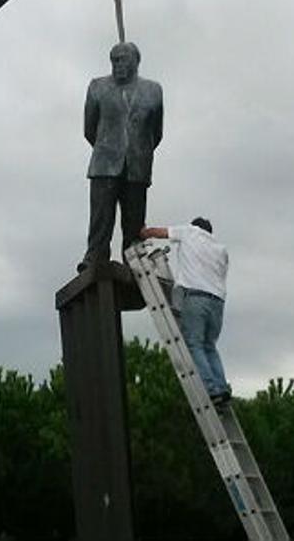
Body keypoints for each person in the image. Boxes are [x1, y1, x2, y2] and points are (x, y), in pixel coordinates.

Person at [78, 42, 164, 272]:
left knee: (134, 222)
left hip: (138, 165)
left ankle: (134, 262)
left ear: (136, 61)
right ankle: (94, 257)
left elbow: (156, 132)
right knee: (101, 218)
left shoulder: (153, 90)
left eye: (123, 59)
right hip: (104, 164)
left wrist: (138, 150)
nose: (118, 64)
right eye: (114, 60)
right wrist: (108, 148)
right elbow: (89, 129)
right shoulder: (97, 87)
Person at [141, 218, 232, 405]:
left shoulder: (190, 232)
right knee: (209, 346)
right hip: (218, 303)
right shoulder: (221, 249)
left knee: (194, 344)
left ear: (195, 226)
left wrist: (144, 232)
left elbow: (161, 232)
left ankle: (211, 390)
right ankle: (222, 388)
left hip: (195, 298)